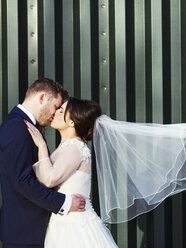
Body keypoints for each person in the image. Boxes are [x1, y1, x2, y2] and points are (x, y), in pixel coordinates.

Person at [0, 78, 87, 248]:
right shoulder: (16, 127)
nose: (55, 113)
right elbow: (22, 181)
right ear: (41, 98)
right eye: (55, 107)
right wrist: (64, 202)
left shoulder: (23, 125)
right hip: (24, 233)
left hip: (30, 231)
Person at [25, 97, 118, 247]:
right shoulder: (67, 146)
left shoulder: (75, 147)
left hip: (73, 226)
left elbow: (49, 179)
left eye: (61, 111)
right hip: (63, 221)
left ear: (72, 122)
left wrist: (41, 146)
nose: (55, 112)